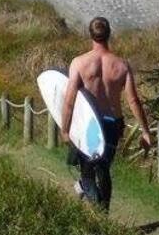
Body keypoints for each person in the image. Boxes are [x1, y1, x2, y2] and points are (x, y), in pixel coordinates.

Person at [60, 17, 153, 212]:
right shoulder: (122, 66)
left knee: (87, 173)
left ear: (90, 34)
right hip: (112, 124)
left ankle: (98, 212)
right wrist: (145, 131)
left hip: (88, 124)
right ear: (109, 34)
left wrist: (65, 129)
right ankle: (103, 213)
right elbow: (133, 101)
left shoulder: (79, 63)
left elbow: (69, 101)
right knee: (103, 169)